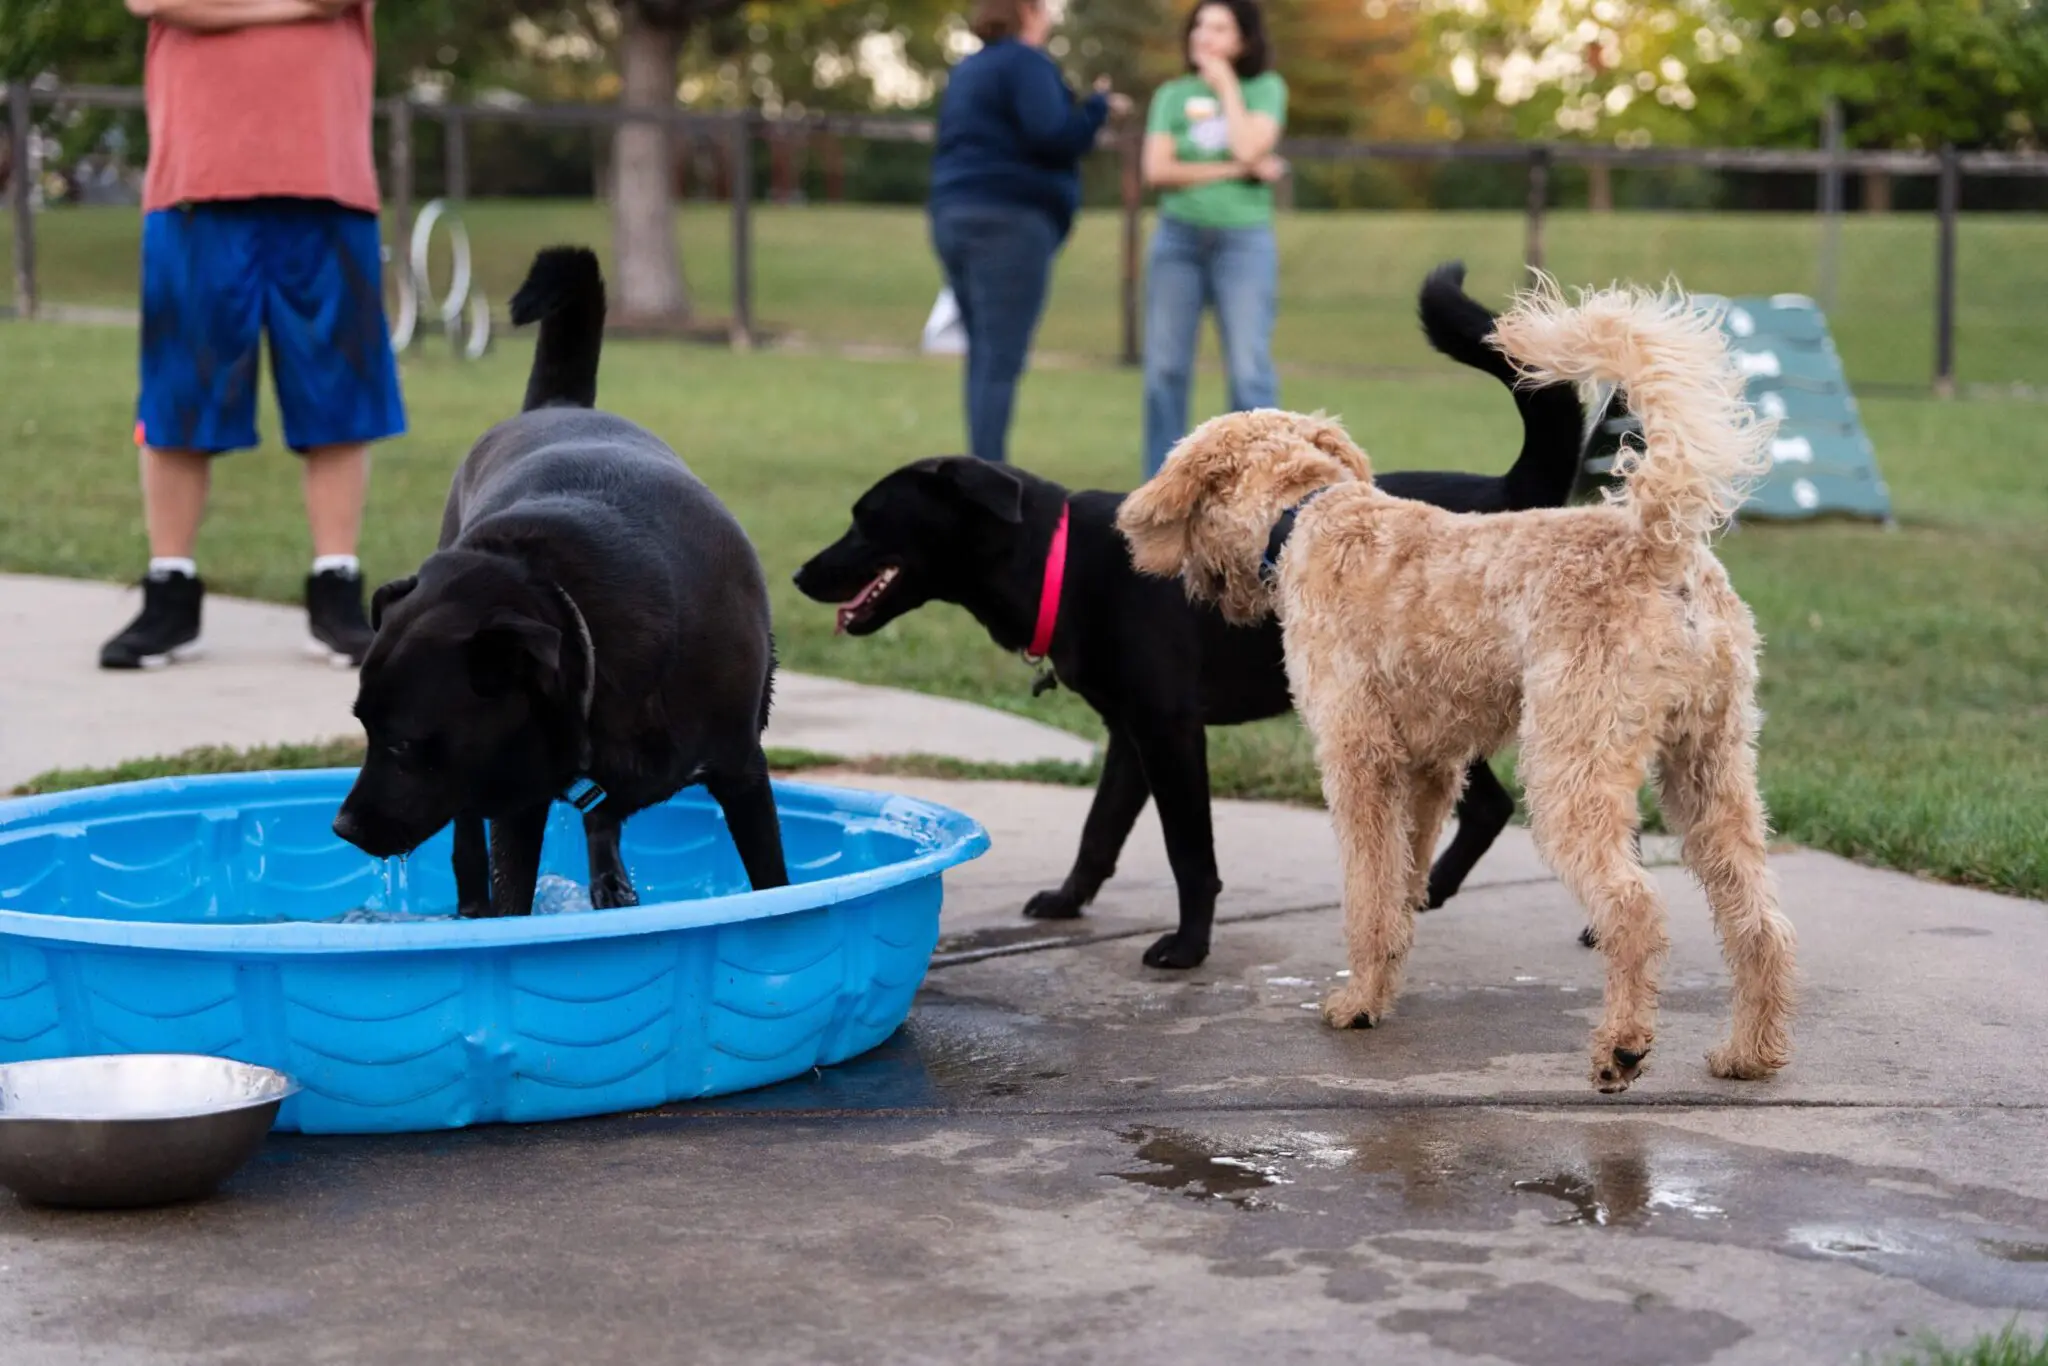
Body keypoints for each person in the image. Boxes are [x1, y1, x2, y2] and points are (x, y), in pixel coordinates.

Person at [101, 0, 405, 670]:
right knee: (179, 395)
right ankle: (169, 591)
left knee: (339, 396)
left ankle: (336, 590)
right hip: (196, 182)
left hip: (327, 179)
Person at [927, 0, 1129, 463]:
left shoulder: (969, 69)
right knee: (1000, 360)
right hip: (1009, 222)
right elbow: (1052, 134)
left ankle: (982, 466)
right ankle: (989, 477)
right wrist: (1096, 108)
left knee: (982, 355)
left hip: (952, 215)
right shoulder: (1026, 62)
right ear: (1027, 12)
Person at [1139, 0, 1287, 478]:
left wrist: (1225, 85)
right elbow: (1157, 170)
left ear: (1243, 39)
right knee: (1164, 371)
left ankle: (1258, 485)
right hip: (1176, 242)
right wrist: (1236, 169)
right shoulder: (1171, 94)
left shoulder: (1265, 90)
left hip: (1243, 243)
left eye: (1220, 27)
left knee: (1249, 373)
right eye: (1200, 24)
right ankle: (1162, 492)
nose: (1205, 35)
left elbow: (1250, 142)